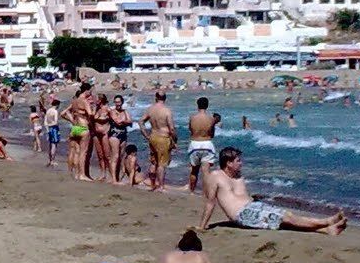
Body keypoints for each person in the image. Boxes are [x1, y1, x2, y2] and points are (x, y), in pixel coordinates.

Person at [199, 147, 346, 233]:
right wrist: (202, 226)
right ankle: (327, 221)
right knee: (286, 218)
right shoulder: (216, 176)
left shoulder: (238, 176)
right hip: (243, 215)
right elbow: (210, 202)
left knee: (286, 218)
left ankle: (326, 230)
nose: (241, 163)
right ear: (229, 163)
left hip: (254, 207)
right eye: (238, 161)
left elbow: (243, 196)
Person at [138, 91, 176, 191]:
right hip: (163, 138)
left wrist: (146, 135)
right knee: (161, 164)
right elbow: (172, 129)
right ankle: (161, 186)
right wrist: (175, 140)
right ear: (165, 98)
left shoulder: (150, 109)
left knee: (154, 162)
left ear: (156, 98)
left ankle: (153, 185)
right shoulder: (167, 111)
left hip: (153, 137)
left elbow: (140, 121)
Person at [185, 97, 220, 193]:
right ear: (207, 106)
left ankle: (192, 191)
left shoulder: (192, 118)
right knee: (206, 172)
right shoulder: (211, 119)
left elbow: (191, 130)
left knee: (194, 170)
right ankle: (206, 193)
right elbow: (212, 134)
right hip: (207, 144)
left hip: (195, 144)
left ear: (197, 105)